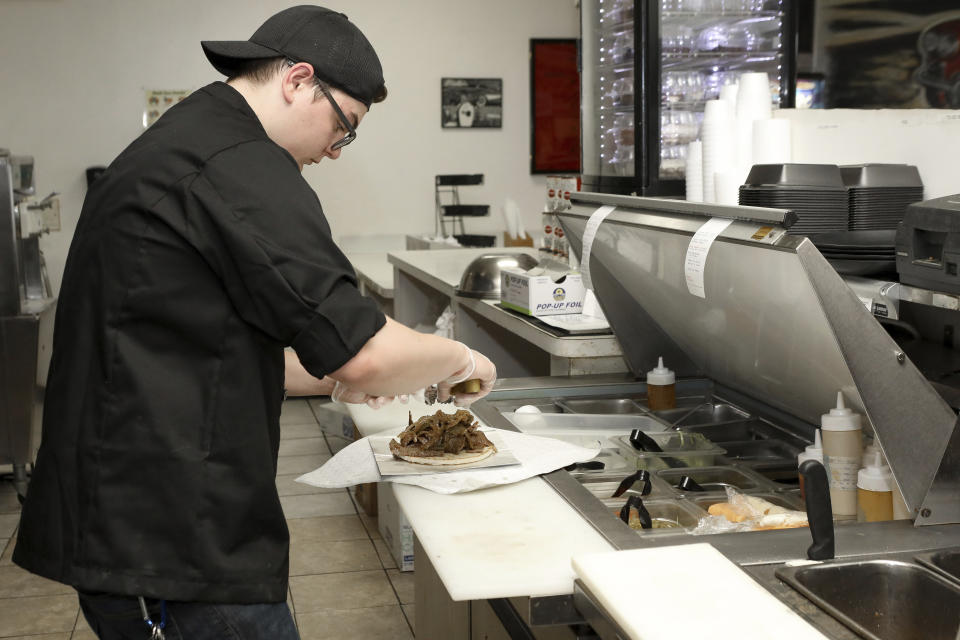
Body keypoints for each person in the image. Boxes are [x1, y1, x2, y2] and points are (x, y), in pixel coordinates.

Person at [13, 6, 496, 639]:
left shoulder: (195, 138)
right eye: (342, 127)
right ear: (298, 80)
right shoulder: (240, 162)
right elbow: (366, 354)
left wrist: (334, 377)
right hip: (163, 540)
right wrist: (459, 359)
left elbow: (214, 345)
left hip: (146, 517)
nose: (336, 149)